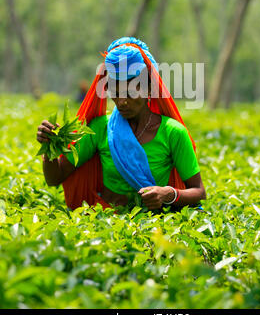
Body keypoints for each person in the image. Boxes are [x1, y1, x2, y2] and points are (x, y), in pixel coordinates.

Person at [36, 37, 206, 211]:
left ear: (149, 89)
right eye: (115, 93)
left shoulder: (173, 132)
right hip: (106, 224)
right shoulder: (100, 128)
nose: (122, 101)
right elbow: (55, 178)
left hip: (153, 225)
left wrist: (168, 194)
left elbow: (199, 191)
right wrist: (50, 148)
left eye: (130, 93)